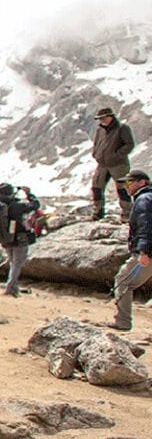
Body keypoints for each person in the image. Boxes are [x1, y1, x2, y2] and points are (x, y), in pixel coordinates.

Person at [108, 170, 152, 330]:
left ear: (142, 183)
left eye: (129, 182)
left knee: (123, 281)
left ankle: (122, 322)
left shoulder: (143, 199)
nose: (125, 186)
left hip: (148, 253)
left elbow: (146, 226)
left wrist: (143, 251)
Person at [0, 183, 42, 297]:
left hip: (5, 238)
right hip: (19, 237)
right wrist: (29, 194)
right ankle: (10, 287)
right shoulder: (16, 206)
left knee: (12, 262)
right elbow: (35, 205)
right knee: (17, 264)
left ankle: (13, 288)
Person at [91, 107, 136, 222]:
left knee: (123, 188)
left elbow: (129, 144)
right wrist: (96, 153)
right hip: (103, 164)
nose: (102, 120)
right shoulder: (100, 130)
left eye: (104, 118)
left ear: (111, 117)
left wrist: (117, 155)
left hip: (118, 164)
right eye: (100, 119)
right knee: (96, 186)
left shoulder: (122, 128)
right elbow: (96, 143)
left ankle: (126, 213)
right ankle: (98, 212)